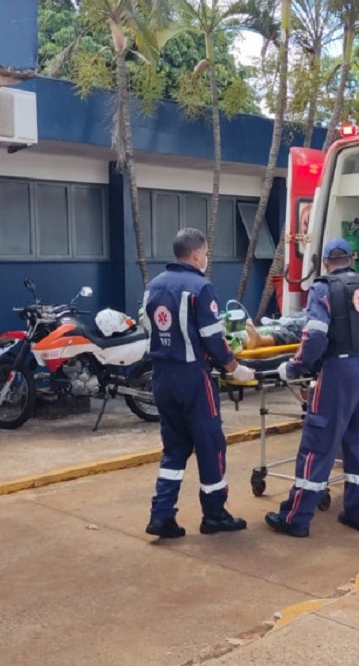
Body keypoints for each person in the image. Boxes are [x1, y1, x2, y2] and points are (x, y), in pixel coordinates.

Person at [265, 237, 359, 538]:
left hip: (340, 372)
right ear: (351, 259)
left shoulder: (324, 288)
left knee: (319, 445)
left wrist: (294, 366)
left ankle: (296, 518)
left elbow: (315, 336)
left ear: (326, 262)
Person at [142, 228, 255, 539]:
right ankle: (214, 514)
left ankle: (161, 515)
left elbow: (148, 327)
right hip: (192, 377)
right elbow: (213, 338)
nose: (206, 258)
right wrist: (235, 368)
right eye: (205, 253)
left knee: (174, 447)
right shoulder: (200, 288)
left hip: (161, 376)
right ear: (195, 255)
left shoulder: (152, 287)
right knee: (210, 445)